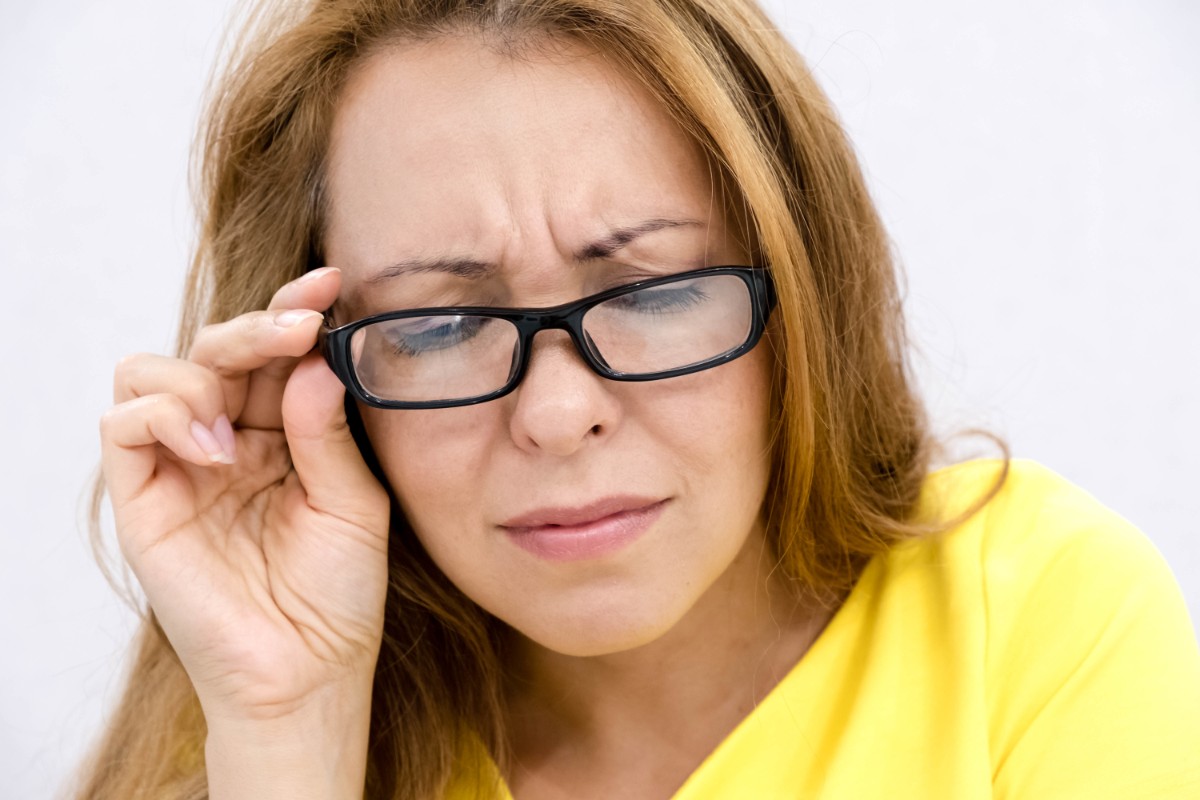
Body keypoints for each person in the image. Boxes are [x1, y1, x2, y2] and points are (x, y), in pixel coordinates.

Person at [75, 0, 1200, 798]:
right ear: (315, 377)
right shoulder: (247, 710)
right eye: (434, 324)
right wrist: (287, 731)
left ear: (800, 298)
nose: (560, 416)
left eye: (654, 293)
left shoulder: (1035, 611)